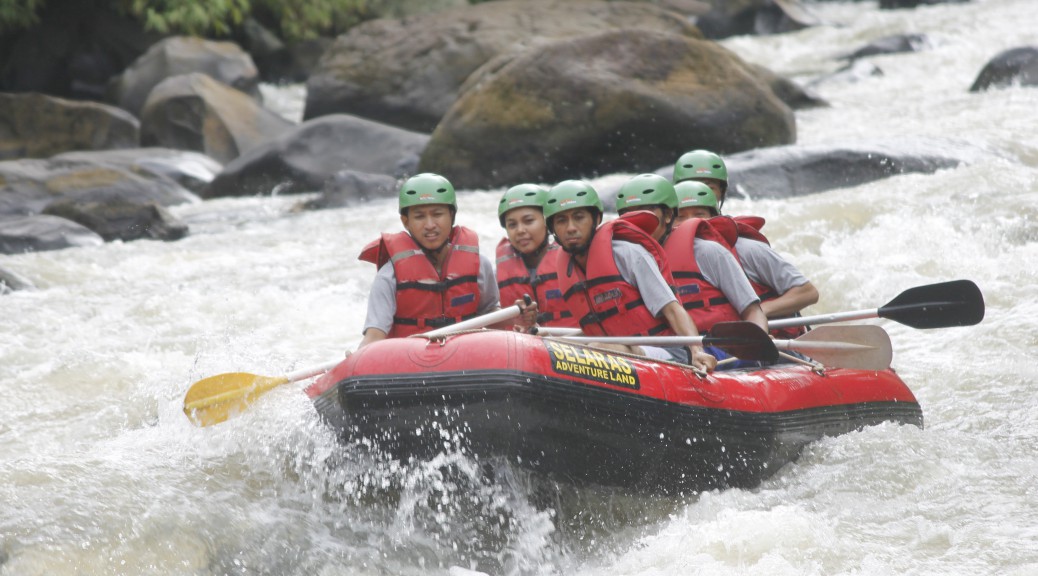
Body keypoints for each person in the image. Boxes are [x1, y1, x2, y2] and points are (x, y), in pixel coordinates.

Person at [544, 179, 717, 372]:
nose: (570, 228)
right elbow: (597, 327)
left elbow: (672, 310)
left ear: (596, 218)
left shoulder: (629, 253)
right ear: (552, 229)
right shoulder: (567, 268)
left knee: (599, 349)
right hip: (619, 354)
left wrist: (696, 351)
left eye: (579, 217)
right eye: (561, 221)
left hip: (669, 353)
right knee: (551, 345)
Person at [353, 173, 532, 351]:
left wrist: (517, 317)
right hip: (411, 362)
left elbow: (490, 317)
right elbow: (374, 337)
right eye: (420, 217)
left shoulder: (479, 265)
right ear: (406, 221)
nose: (430, 224)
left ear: (451, 215)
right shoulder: (389, 276)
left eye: (437, 214)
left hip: (467, 357)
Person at [673, 151, 819, 333]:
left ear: (721, 193)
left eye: (708, 187)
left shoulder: (744, 247)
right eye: (681, 215)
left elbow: (808, 292)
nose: (695, 191)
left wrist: (755, 312)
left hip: (768, 342)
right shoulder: (661, 253)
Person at [615, 174, 768, 336]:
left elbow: (753, 311)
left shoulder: (708, 252)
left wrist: (758, 341)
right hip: (662, 350)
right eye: (628, 215)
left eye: (645, 214)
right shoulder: (625, 260)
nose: (637, 222)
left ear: (668, 216)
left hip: (721, 349)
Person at [495, 184, 578, 328]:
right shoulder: (496, 273)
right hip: (525, 345)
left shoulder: (577, 260)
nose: (520, 230)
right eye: (512, 225)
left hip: (573, 343)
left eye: (528, 221)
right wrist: (514, 319)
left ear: (547, 222)